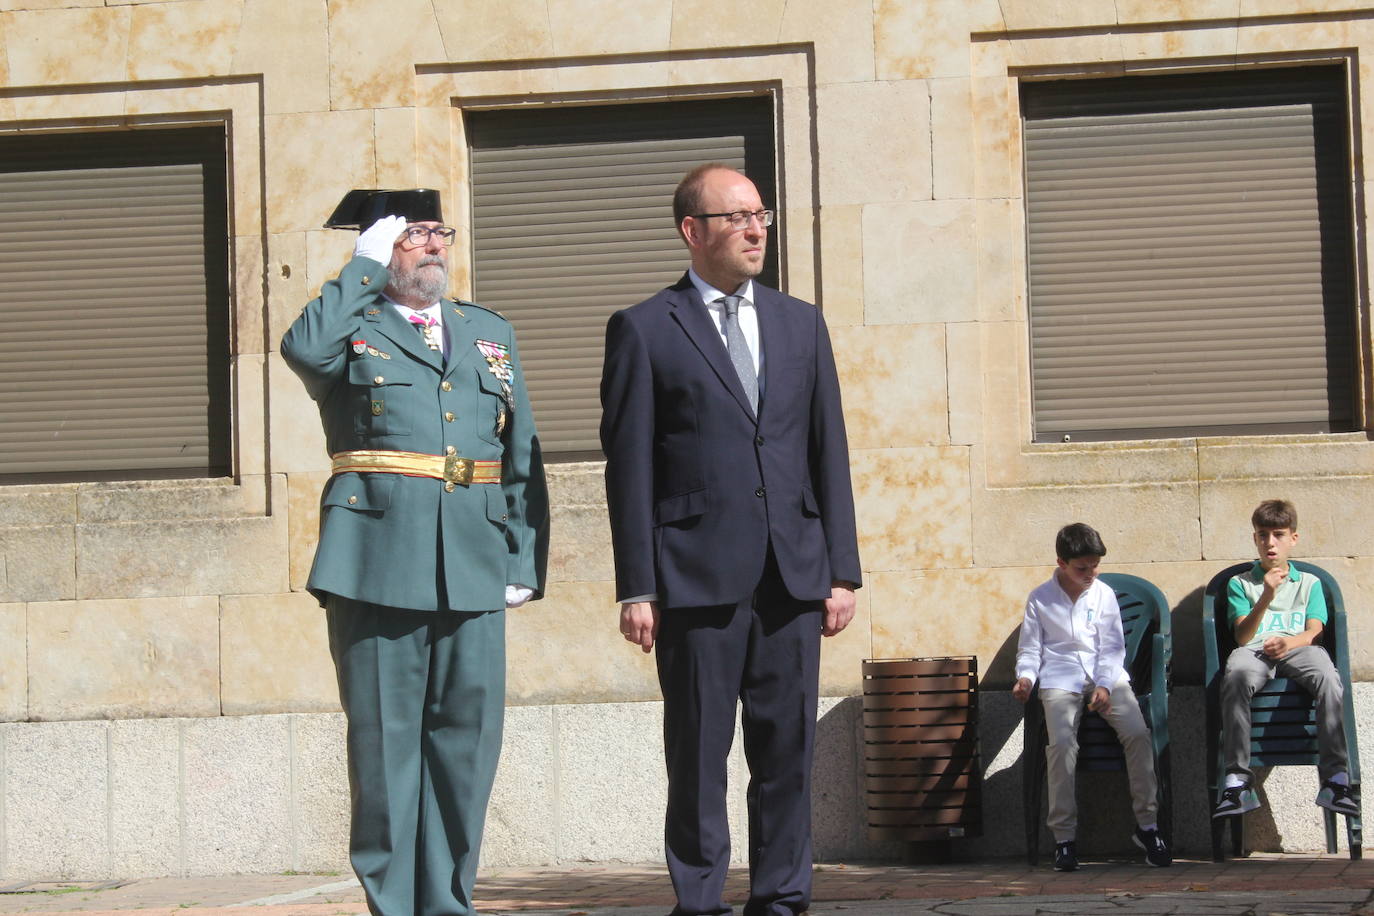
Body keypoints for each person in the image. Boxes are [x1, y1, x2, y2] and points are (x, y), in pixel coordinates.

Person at [599, 163, 861, 916]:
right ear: (693, 230)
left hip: (792, 574)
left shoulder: (800, 323)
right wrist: (638, 585)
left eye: (761, 215)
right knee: (697, 755)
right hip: (694, 576)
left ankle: (781, 897)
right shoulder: (645, 328)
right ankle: (700, 900)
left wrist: (841, 571)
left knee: (787, 753)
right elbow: (630, 467)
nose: (755, 230)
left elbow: (827, 449)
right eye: (737, 217)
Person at [280, 188, 549, 916]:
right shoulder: (350, 327)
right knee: (385, 750)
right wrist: (361, 268)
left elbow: (520, 451)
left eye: (438, 232)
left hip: (475, 561)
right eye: (411, 234)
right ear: (378, 249)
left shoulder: (486, 331)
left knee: (467, 746)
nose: (432, 245)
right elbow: (302, 350)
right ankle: (394, 907)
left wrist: (521, 560)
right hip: (376, 559)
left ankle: (449, 904)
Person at [1013, 523, 1170, 871]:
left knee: (1138, 734)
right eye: (1081, 568)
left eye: (1095, 566)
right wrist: (1025, 678)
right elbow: (1030, 649)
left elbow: (1113, 648)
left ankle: (1148, 825)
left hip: (1106, 677)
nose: (1090, 574)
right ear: (1061, 563)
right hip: (1059, 678)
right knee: (1061, 745)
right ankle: (1064, 838)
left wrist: (1104, 685)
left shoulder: (1104, 595)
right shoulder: (1040, 598)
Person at [1213, 498, 1358, 819]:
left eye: (1278, 535)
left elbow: (1314, 632)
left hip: (1299, 648)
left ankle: (1336, 779)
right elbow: (1242, 637)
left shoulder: (1310, 583)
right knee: (1235, 675)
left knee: (1328, 676)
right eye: (1263, 535)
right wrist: (1266, 595)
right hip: (1254, 651)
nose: (1270, 543)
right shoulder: (1240, 584)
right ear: (1255, 538)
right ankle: (1237, 781)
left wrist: (1288, 643)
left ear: (1293, 538)